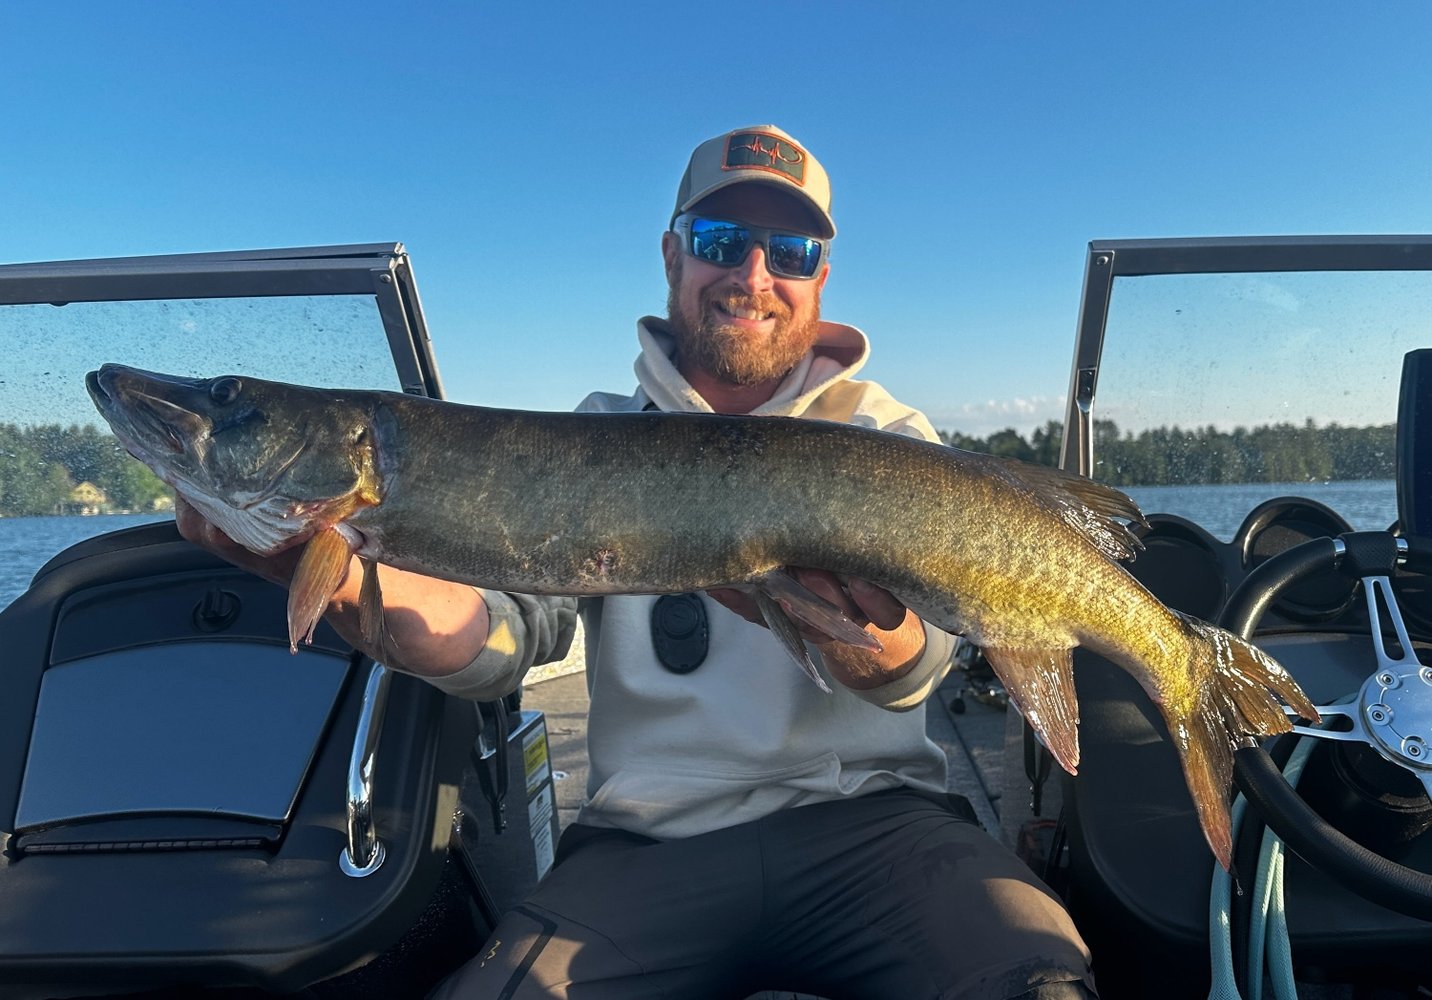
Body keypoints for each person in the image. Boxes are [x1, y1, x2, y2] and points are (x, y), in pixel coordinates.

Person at [178, 125, 1097, 999]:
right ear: (672, 256)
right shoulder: (591, 435)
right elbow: (508, 634)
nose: (753, 274)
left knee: (1036, 976)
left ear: (822, 277)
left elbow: (919, 668)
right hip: (650, 843)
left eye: (791, 252)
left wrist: (859, 638)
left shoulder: (887, 436)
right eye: (723, 238)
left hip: (876, 824)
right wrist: (346, 582)